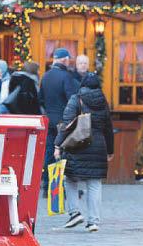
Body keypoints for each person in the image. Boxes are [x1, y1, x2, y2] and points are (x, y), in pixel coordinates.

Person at [55, 73, 114, 232]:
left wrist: (57, 145)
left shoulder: (76, 99)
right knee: (94, 183)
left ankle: (75, 213)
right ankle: (93, 221)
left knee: (70, 179)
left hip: (78, 145)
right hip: (99, 146)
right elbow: (108, 127)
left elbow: (67, 124)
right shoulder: (103, 101)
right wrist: (110, 150)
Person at [39, 48, 80, 191]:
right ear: (64, 60)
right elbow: (72, 99)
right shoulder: (66, 77)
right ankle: (61, 187)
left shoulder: (46, 76)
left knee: (49, 151)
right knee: (64, 153)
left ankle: (47, 186)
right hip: (63, 121)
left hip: (49, 119)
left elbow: (41, 99)